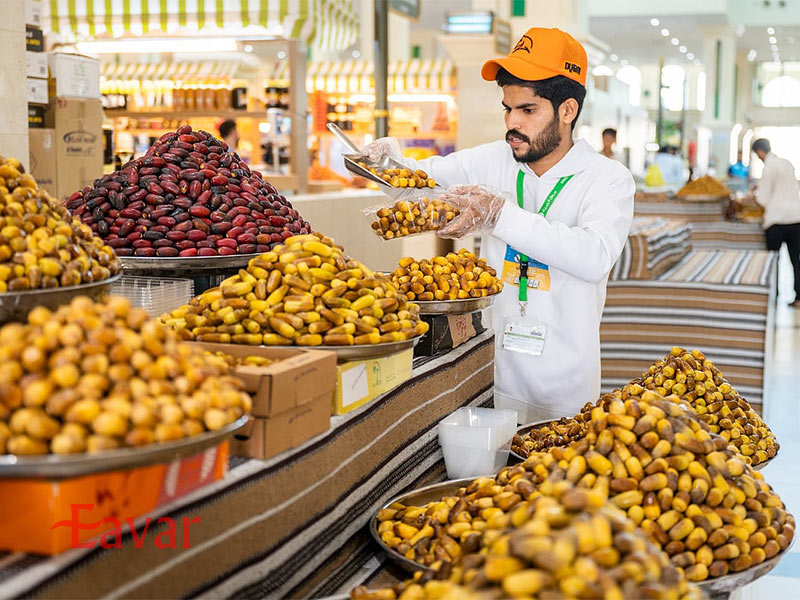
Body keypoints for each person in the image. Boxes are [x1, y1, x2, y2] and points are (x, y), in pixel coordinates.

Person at [363, 27, 634, 422]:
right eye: (507, 108)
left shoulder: (607, 179)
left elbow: (593, 257)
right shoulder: (492, 159)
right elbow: (414, 185)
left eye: (527, 110)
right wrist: (384, 163)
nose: (512, 122)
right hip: (488, 376)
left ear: (567, 111)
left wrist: (500, 215)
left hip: (563, 391)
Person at [752, 138, 800, 307]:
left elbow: (764, 198)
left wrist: (755, 196)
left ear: (760, 152)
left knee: (773, 260)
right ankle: (799, 297)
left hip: (776, 221)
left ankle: (774, 296)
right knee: (796, 260)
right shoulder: (787, 163)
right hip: (795, 218)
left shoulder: (768, 167)